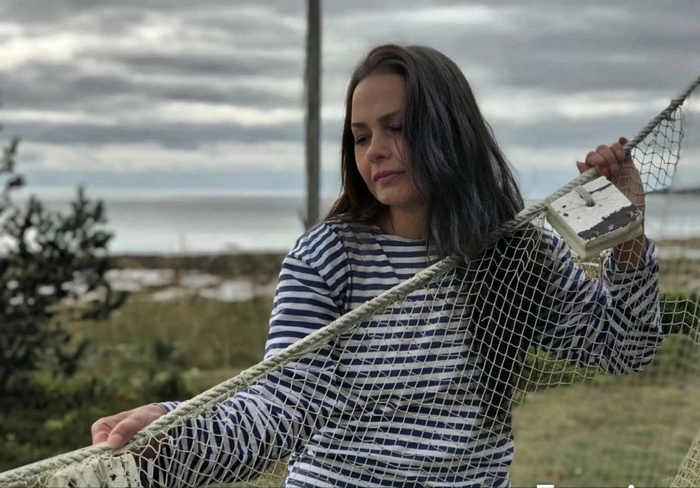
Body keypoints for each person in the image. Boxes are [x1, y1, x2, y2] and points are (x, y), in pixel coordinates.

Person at [92, 44, 661, 487]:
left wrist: (627, 233)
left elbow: (625, 349)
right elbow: (279, 407)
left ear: (450, 130)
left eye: (397, 128)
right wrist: (175, 431)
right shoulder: (327, 258)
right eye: (361, 137)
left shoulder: (515, 253)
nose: (375, 152)